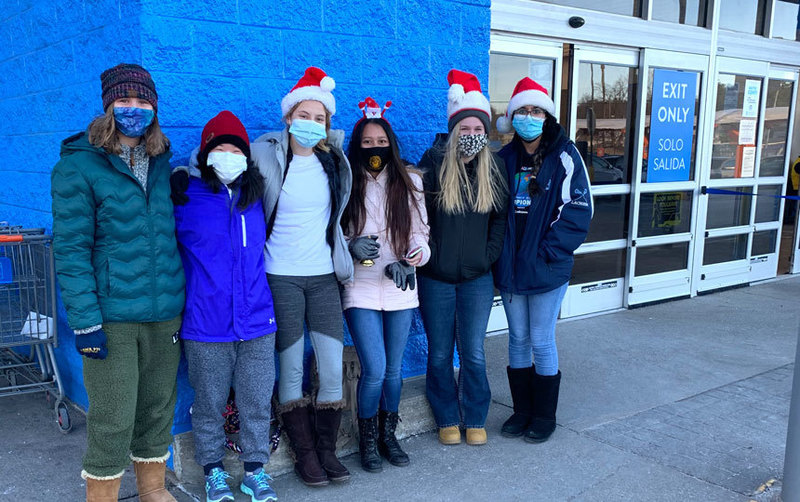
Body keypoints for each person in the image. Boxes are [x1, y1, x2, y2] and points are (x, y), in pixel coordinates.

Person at [50, 63, 185, 502]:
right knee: (112, 417)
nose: (134, 109)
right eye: (124, 101)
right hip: (111, 316)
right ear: (109, 106)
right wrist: (85, 323)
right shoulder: (79, 167)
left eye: (143, 101)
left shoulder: (163, 160)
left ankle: (153, 490)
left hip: (165, 312)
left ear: (154, 107)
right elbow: (70, 252)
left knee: (156, 411)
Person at [249, 67, 353, 487]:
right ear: (288, 116)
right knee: (290, 368)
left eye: (319, 118)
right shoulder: (264, 153)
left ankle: (327, 452)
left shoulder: (334, 161)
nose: (311, 124)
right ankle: (304, 455)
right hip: (281, 278)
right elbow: (220, 169)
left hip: (325, 277)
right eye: (303, 115)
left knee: (330, 367)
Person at [171, 111, 278, 502]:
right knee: (210, 403)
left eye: (236, 149)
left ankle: (255, 471)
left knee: (255, 400)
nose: (229, 155)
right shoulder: (184, 193)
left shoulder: (257, 194)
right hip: (205, 322)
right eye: (221, 148)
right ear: (206, 154)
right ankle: (213, 470)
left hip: (257, 319)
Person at [493, 77, 593, 443]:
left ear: (546, 116)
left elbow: (579, 210)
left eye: (535, 110)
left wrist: (546, 253)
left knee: (541, 338)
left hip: (546, 267)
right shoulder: (503, 160)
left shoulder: (565, 156)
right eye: (522, 111)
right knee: (517, 338)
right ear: (512, 117)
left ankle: (544, 415)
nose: (529, 117)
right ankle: (522, 411)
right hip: (510, 268)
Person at [417, 69, 508, 447]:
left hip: (476, 280)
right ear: (455, 130)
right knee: (439, 354)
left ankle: (475, 416)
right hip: (436, 279)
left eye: (478, 129)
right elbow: (417, 217)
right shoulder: (434, 162)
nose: (472, 136)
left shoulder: (496, 167)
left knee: (472, 352)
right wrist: (431, 258)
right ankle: (446, 416)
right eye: (465, 129)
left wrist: (486, 258)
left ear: (486, 132)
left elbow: (500, 220)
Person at [341, 97, 430, 472]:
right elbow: (331, 233)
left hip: (398, 284)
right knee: (374, 368)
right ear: (357, 146)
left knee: (394, 370)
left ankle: (387, 435)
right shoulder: (345, 181)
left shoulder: (409, 181)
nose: (374, 148)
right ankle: (367, 440)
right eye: (366, 142)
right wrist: (349, 245)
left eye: (380, 142)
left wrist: (413, 258)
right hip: (360, 285)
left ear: (390, 143)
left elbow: (422, 234)